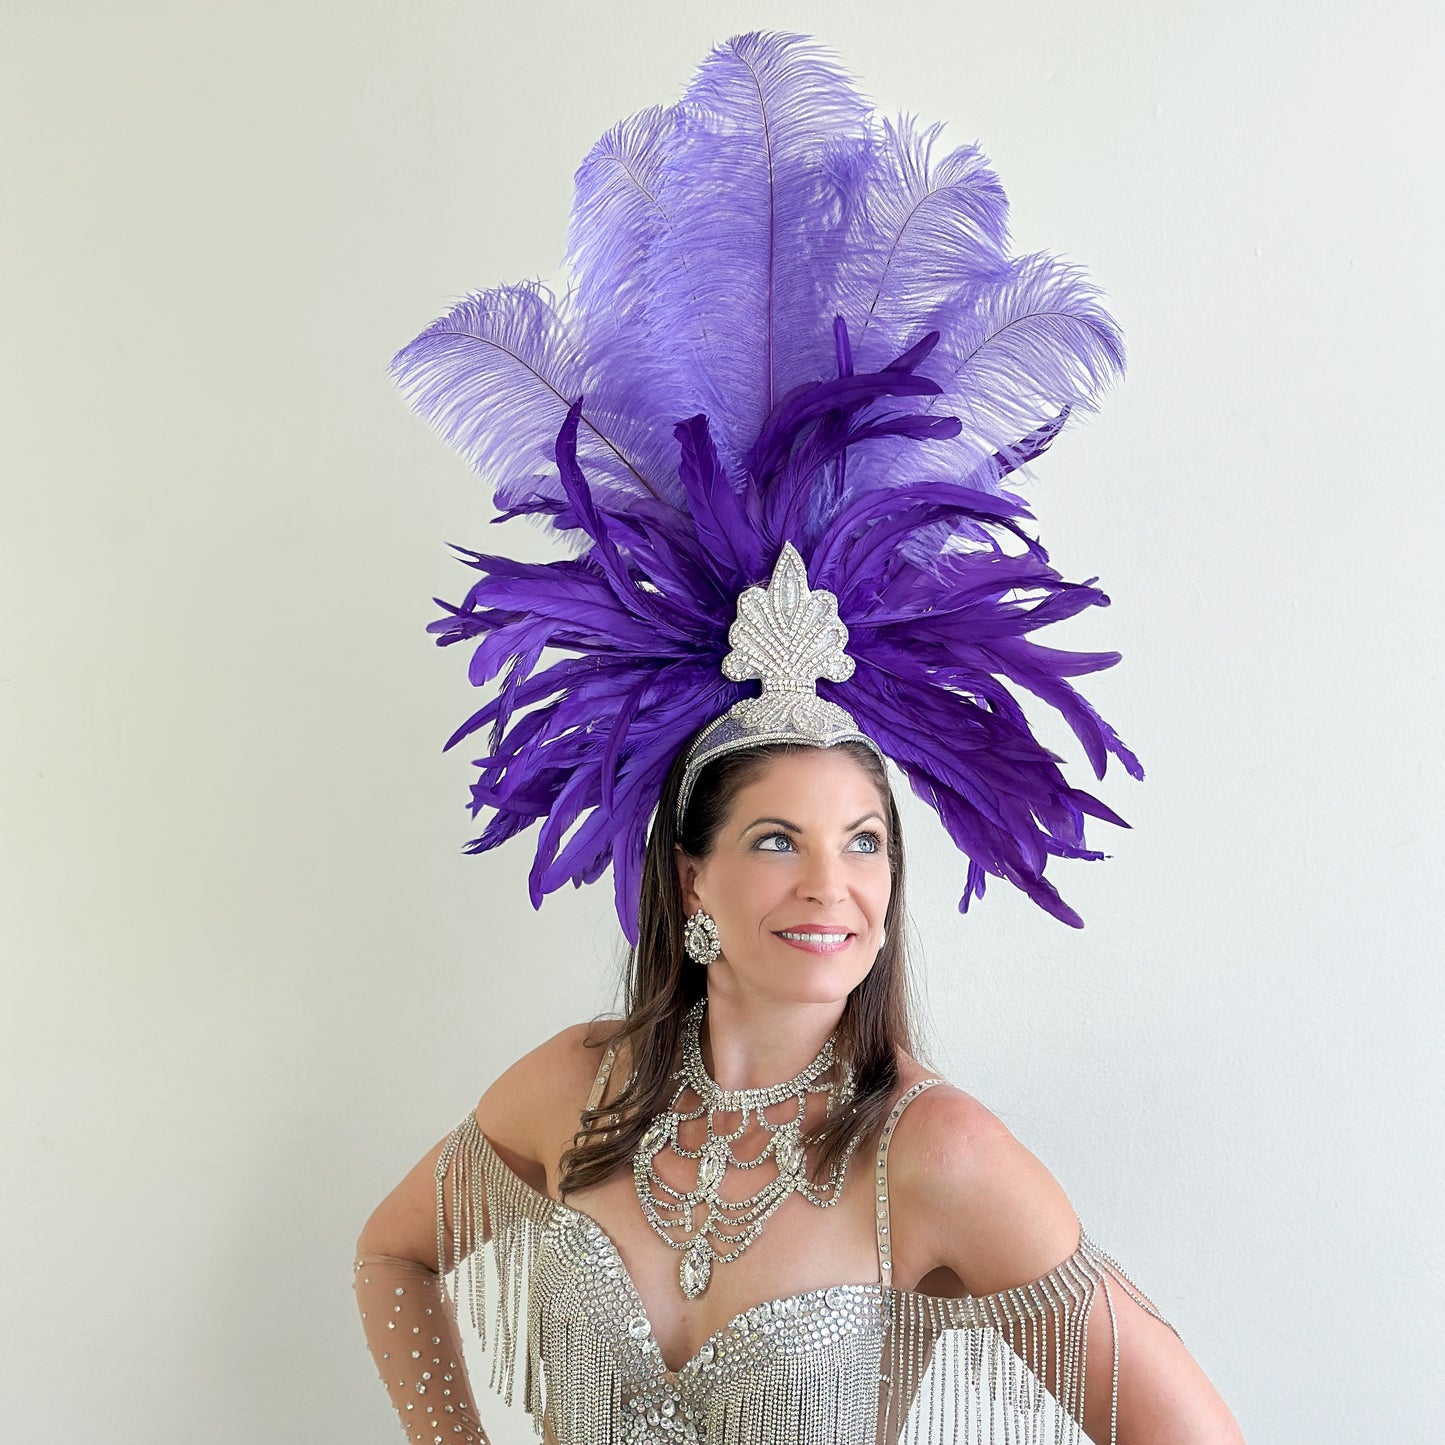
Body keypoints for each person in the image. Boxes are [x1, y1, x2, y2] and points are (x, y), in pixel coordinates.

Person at [354, 30, 1245, 1444]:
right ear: (692, 880)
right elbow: (394, 1254)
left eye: (865, 842)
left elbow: (1191, 1432)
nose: (834, 886)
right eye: (778, 838)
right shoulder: (570, 1088)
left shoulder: (932, 1155)